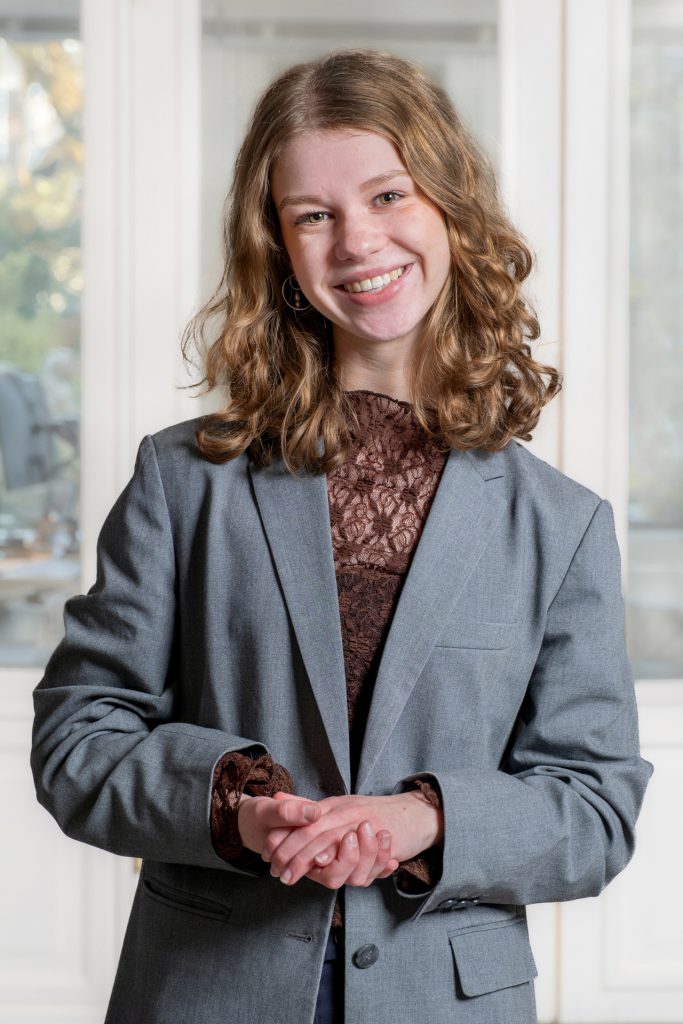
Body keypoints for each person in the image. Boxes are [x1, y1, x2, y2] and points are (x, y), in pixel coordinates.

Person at [30, 49, 653, 1024]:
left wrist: (424, 819)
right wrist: (236, 810)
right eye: (312, 215)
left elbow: (594, 806)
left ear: (450, 209)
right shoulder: (181, 480)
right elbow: (78, 738)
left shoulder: (561, 525)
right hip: (207, 990)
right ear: (277, 248)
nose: (357, 241)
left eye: (388, 195)